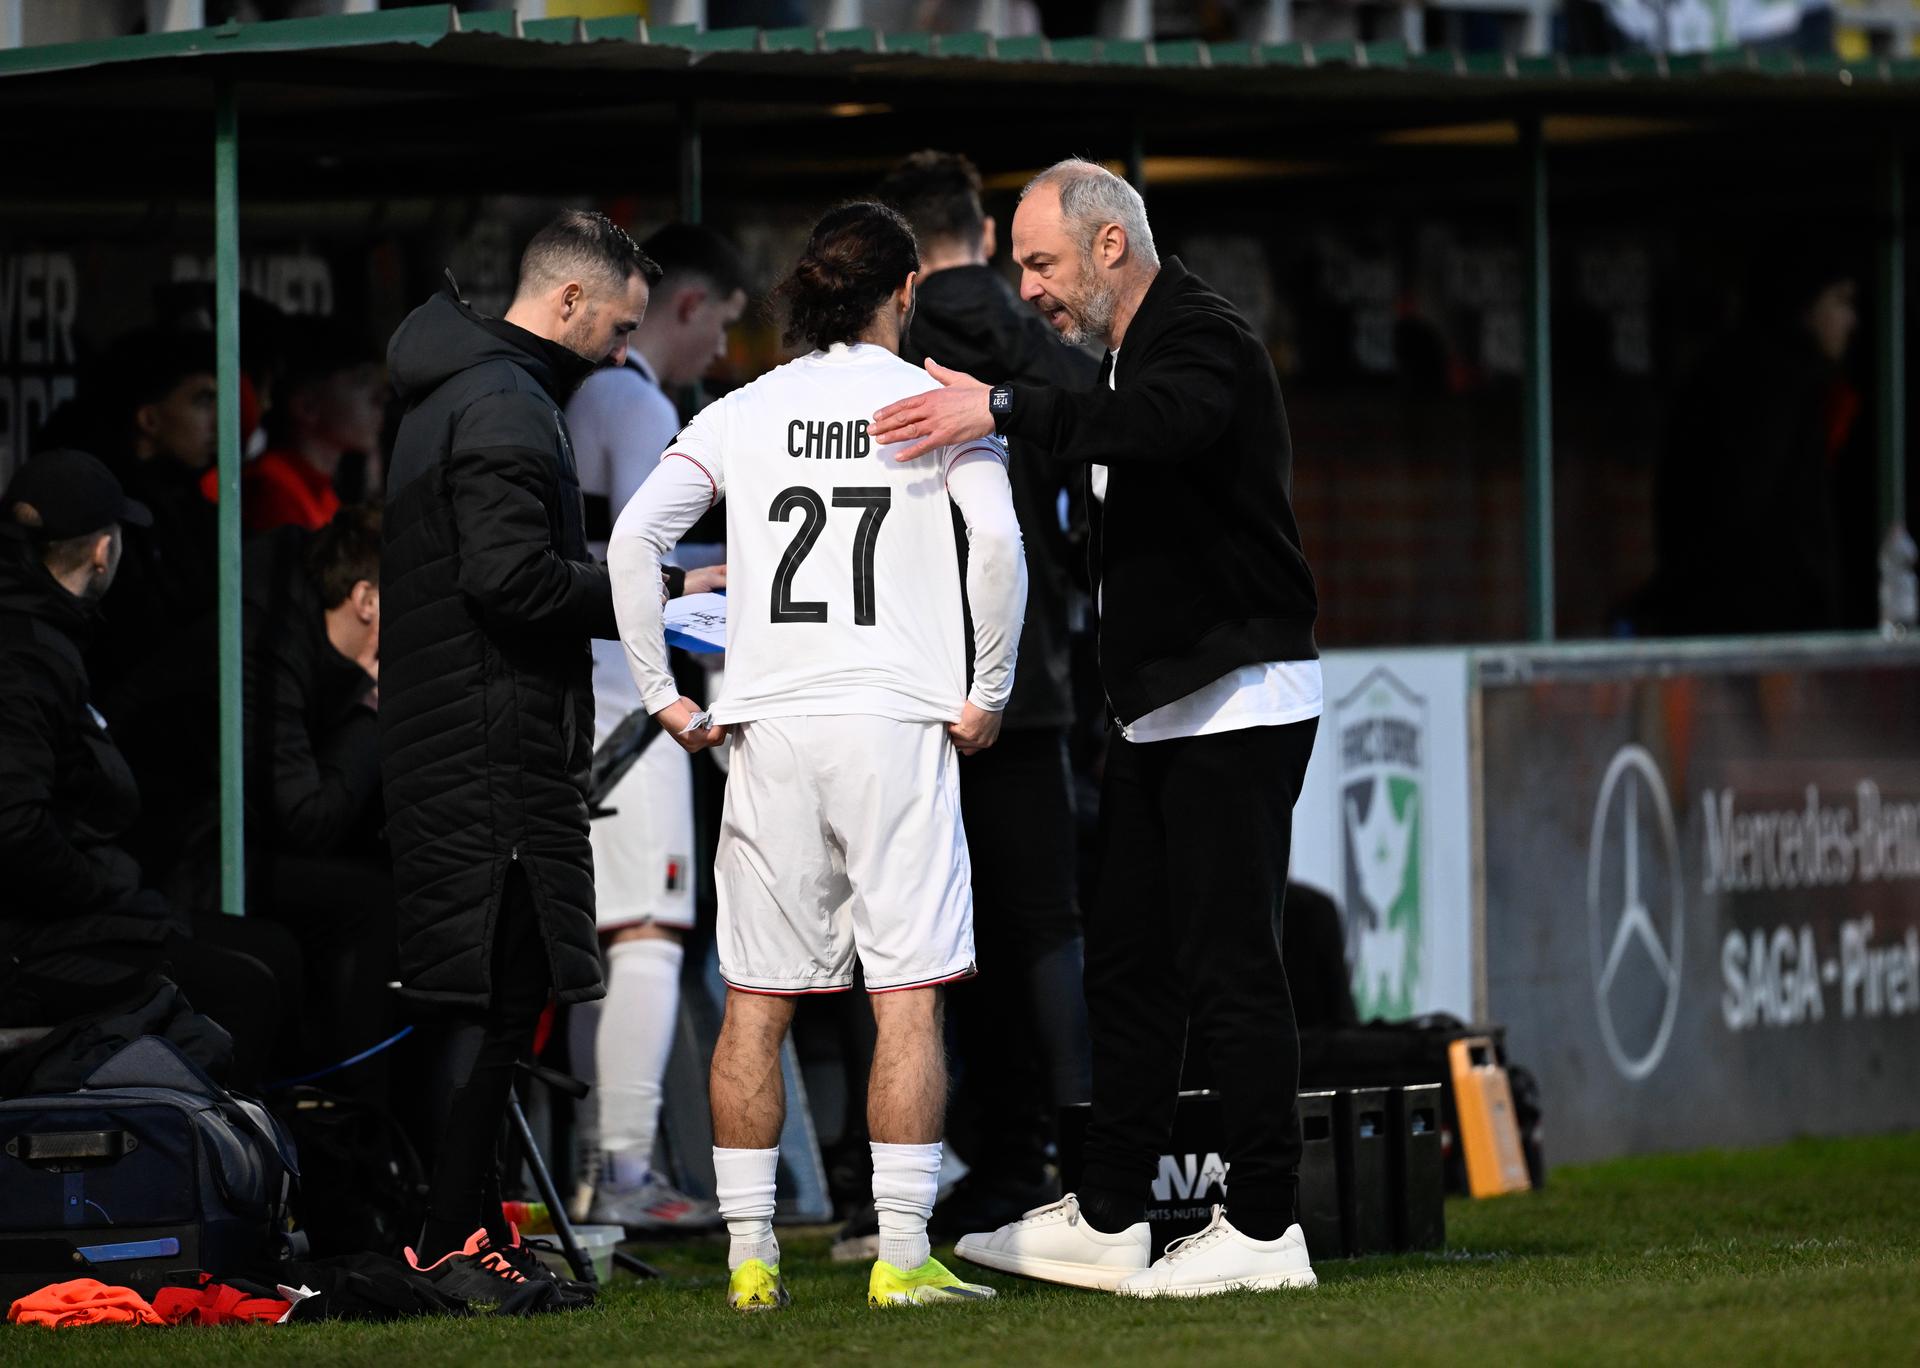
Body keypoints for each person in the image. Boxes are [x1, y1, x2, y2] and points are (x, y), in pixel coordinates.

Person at [872, 158, 1323, 1299]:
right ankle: (1113, 1210)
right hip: (1162, 713)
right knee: (1127, 970)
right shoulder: (1124, 355)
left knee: (1231, 968)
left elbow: (1161, 426)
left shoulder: (1202, 333)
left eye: (1041, 263)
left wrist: (1003, 407)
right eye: (1019, 264)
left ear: (1110, 245)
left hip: (1237, 701)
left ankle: (1267, 1229)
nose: (1027, 289)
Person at [608, 202, 1027, 1312]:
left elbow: (632, 539)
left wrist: (662, 695)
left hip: (769, 728)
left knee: (757, 1002)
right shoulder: (932, 404)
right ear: (901, 295)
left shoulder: (746, 407)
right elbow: (998, 541)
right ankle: (900, 1256)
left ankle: (751, 1259)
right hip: (893, 722)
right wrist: (986, 690)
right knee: (907, 997)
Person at [380, 209, 659, 1308]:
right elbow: (509, 581)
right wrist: (656, 599)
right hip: (491, 746)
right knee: (496, 1001)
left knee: (489, 1000)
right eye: (619, 328)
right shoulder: (502, 402)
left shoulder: (460, 392)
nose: (623, 353)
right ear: (570, 303)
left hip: (465, 735)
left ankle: (472, 1227)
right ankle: (452, 1239)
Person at [879, 149, 1097, 1237]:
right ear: (976, 233)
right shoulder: (1042, 339)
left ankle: (948, 1170)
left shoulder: (891, 350)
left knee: (920, 938)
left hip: (916, 683)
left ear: (901, 251)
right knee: (1044, 928)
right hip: (1037, 681)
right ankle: (1075, 1160)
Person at [565, 223, 745, 1234]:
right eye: (720, 318)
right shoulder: (632, 402)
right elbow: (646, 569)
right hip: (625, 699)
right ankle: (621, 1171)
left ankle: (602, 1168)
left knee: (607, 935)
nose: (723, 343)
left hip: (580, 693)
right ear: (686, 306)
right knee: (646, 929)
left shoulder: (573, 393)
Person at [0, 450, 284, 1087]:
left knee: (266, 952)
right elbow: (15, 828)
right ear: (103, 551)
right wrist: (101, 892)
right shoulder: (24, 654)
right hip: (31, 938)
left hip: (58, 916)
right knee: (246, 983)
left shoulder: (47, 635)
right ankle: (209, 1169)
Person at [1647, 252, 1861, 635]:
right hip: (1757, 628)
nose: (1851, 321)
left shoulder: (1771, 376)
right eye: (1841, 301)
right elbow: (1746, 506)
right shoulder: (1771, 383)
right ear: (1805, 306)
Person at [240, 324, 387, 534]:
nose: (380, 398)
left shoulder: (321, 490)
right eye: (362, 381)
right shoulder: (273, 490)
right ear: (307, 406)